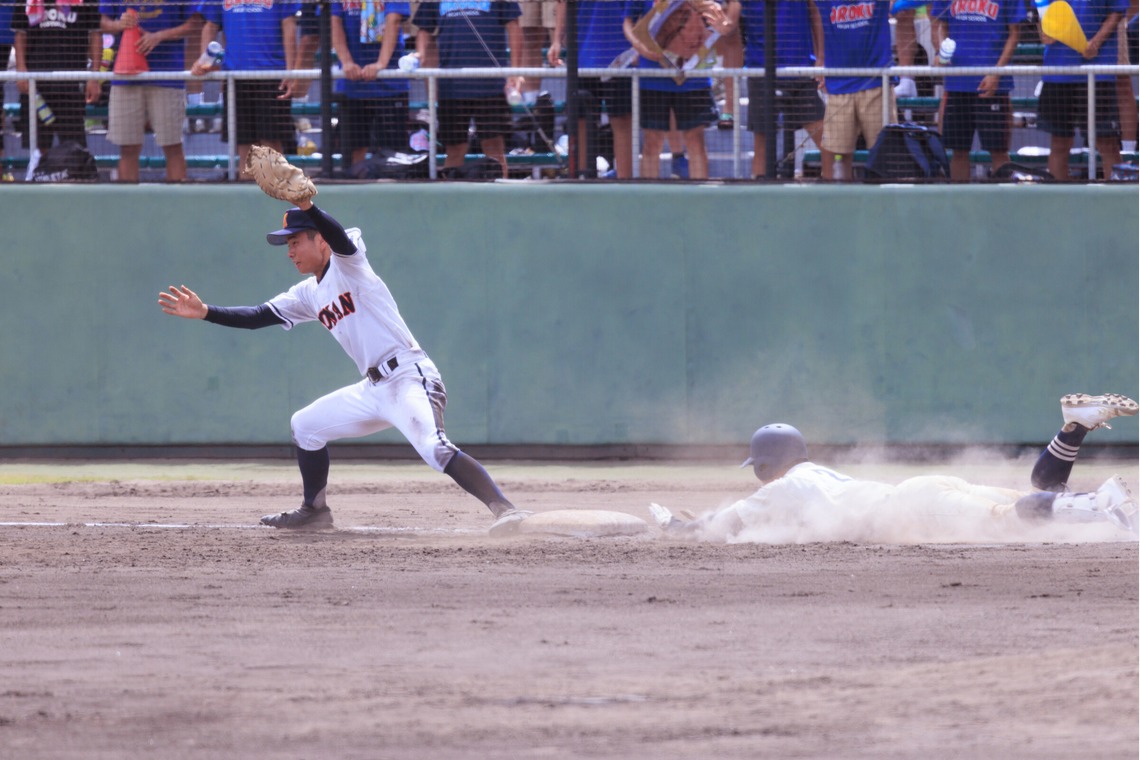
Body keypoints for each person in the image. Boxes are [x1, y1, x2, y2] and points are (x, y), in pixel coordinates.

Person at [157, 198, 530, 536]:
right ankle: (314, 510)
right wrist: (206, 313)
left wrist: (309, 204)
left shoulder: (349, 265)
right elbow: (258, 316)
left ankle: (506, 511)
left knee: (433, 447)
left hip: (408, 376)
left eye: (295, 241)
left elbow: (340, 237)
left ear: (320, 240)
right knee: (305, 425)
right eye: (286, 244)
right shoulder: (308, 293)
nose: (289, 251)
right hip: (372, 388)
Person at [649, 393, 1140, 543]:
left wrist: (674, 525)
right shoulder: (814, 475)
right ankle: (1073, 428)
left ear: (764, 467)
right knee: (1038, 493)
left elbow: (718, 526)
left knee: (1009, 519)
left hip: (912, 505)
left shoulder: (779, 490)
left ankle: (1101, 506)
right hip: (923, 489)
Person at [623, 0, 734, 179]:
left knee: (695, 140)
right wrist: (640, 47)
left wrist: (722, 24)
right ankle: (649, 201)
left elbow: (725, 19)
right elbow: (628, 23)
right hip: (652, 77)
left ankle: (700, 203)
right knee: (651, 141)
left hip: (694, 78)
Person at [413, 0, 524, 178]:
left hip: (490, 84)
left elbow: (514, 26)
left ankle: (501, 202)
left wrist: (515, 72)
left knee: (494, 150)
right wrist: (420, 56)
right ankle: (451, 203)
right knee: (455, 149)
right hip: (451, 86)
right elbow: (423, 29)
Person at [99, 1, 202, 182]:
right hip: (126, 75)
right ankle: (128, 205)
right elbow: (102, 22)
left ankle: (177, 205)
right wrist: (118, 24)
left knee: (172, 145)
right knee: (128, 147)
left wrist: (159, 36)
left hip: (167, 74)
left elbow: (195, 24)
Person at [191, 0, 301, 169]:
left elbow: (289, 25)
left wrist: (289, 71)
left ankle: (276, 192)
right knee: (244, 143)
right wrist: (204, 59)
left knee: (271, 141)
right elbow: (210, 25)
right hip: (235, 76)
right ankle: (246, 190)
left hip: (272, 73)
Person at [930, 0, 1025, 181]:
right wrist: (941, 51)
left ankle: (1004, 205)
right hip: (957, 82)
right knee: (958, 151)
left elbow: (1015, 33)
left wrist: (996, 73)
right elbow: (941, 25)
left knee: (998, 151)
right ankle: (960, 206)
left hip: (993, 86)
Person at [1037, 0, 1126, 180]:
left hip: (1098, 72)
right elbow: (1042, 9)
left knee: (1107, 143)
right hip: (1059, 70)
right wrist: (1043, 30)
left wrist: (1095, 42)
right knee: (1059, 143)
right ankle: (1057, 205)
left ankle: (1117, 205)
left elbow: (1117, 12)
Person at [809, 0, 897, 181]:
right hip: (839, 85)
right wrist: (821, 58)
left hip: (876, 82)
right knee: (838, 155)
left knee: (885, 151)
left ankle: (885, 204)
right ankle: (842, 204)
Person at [549, 0, 636, 178]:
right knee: (581, 121)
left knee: (622, 121)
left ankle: (626, 185)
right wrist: (556, 40)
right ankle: (582, 180)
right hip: (582, 54)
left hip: (622, 55)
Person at [739, 0, 825, 179]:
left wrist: (821, 58)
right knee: (761, 142)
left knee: (827, 141)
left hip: (801, 70)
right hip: (761, 71)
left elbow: (816, 13)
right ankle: (760, 200)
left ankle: (838, 195)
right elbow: (732, 24)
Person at [12, 0, 103, 153]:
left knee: (75, 148)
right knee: (39, 148)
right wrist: (21, 70)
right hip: (36, 85)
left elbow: (95, 33)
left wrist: (94, 76)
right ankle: (39, 175)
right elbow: (20, 34)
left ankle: (73, 176)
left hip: (71, 83)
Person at [330, 0, 412, 165]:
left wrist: (381, 64)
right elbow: (333, 23)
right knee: (352, 154)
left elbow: (394, 19)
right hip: (352, 86)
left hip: (390, 83)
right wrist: (346, 62)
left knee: (394, 155)